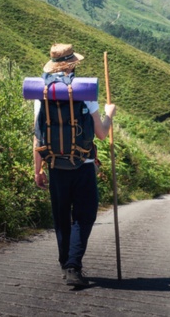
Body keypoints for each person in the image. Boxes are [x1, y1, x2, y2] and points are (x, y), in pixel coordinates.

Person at [33, 43, 116, 287]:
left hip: (55, 165)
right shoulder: (83, 91)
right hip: (83, 164)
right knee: (84, 215)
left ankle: (65, 262)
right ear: (72, 65)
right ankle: (73, 266)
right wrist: (110, 113)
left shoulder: (42, 92)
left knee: (61, 217)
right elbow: (100, 133)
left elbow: (39, 136)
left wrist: (37, 170)